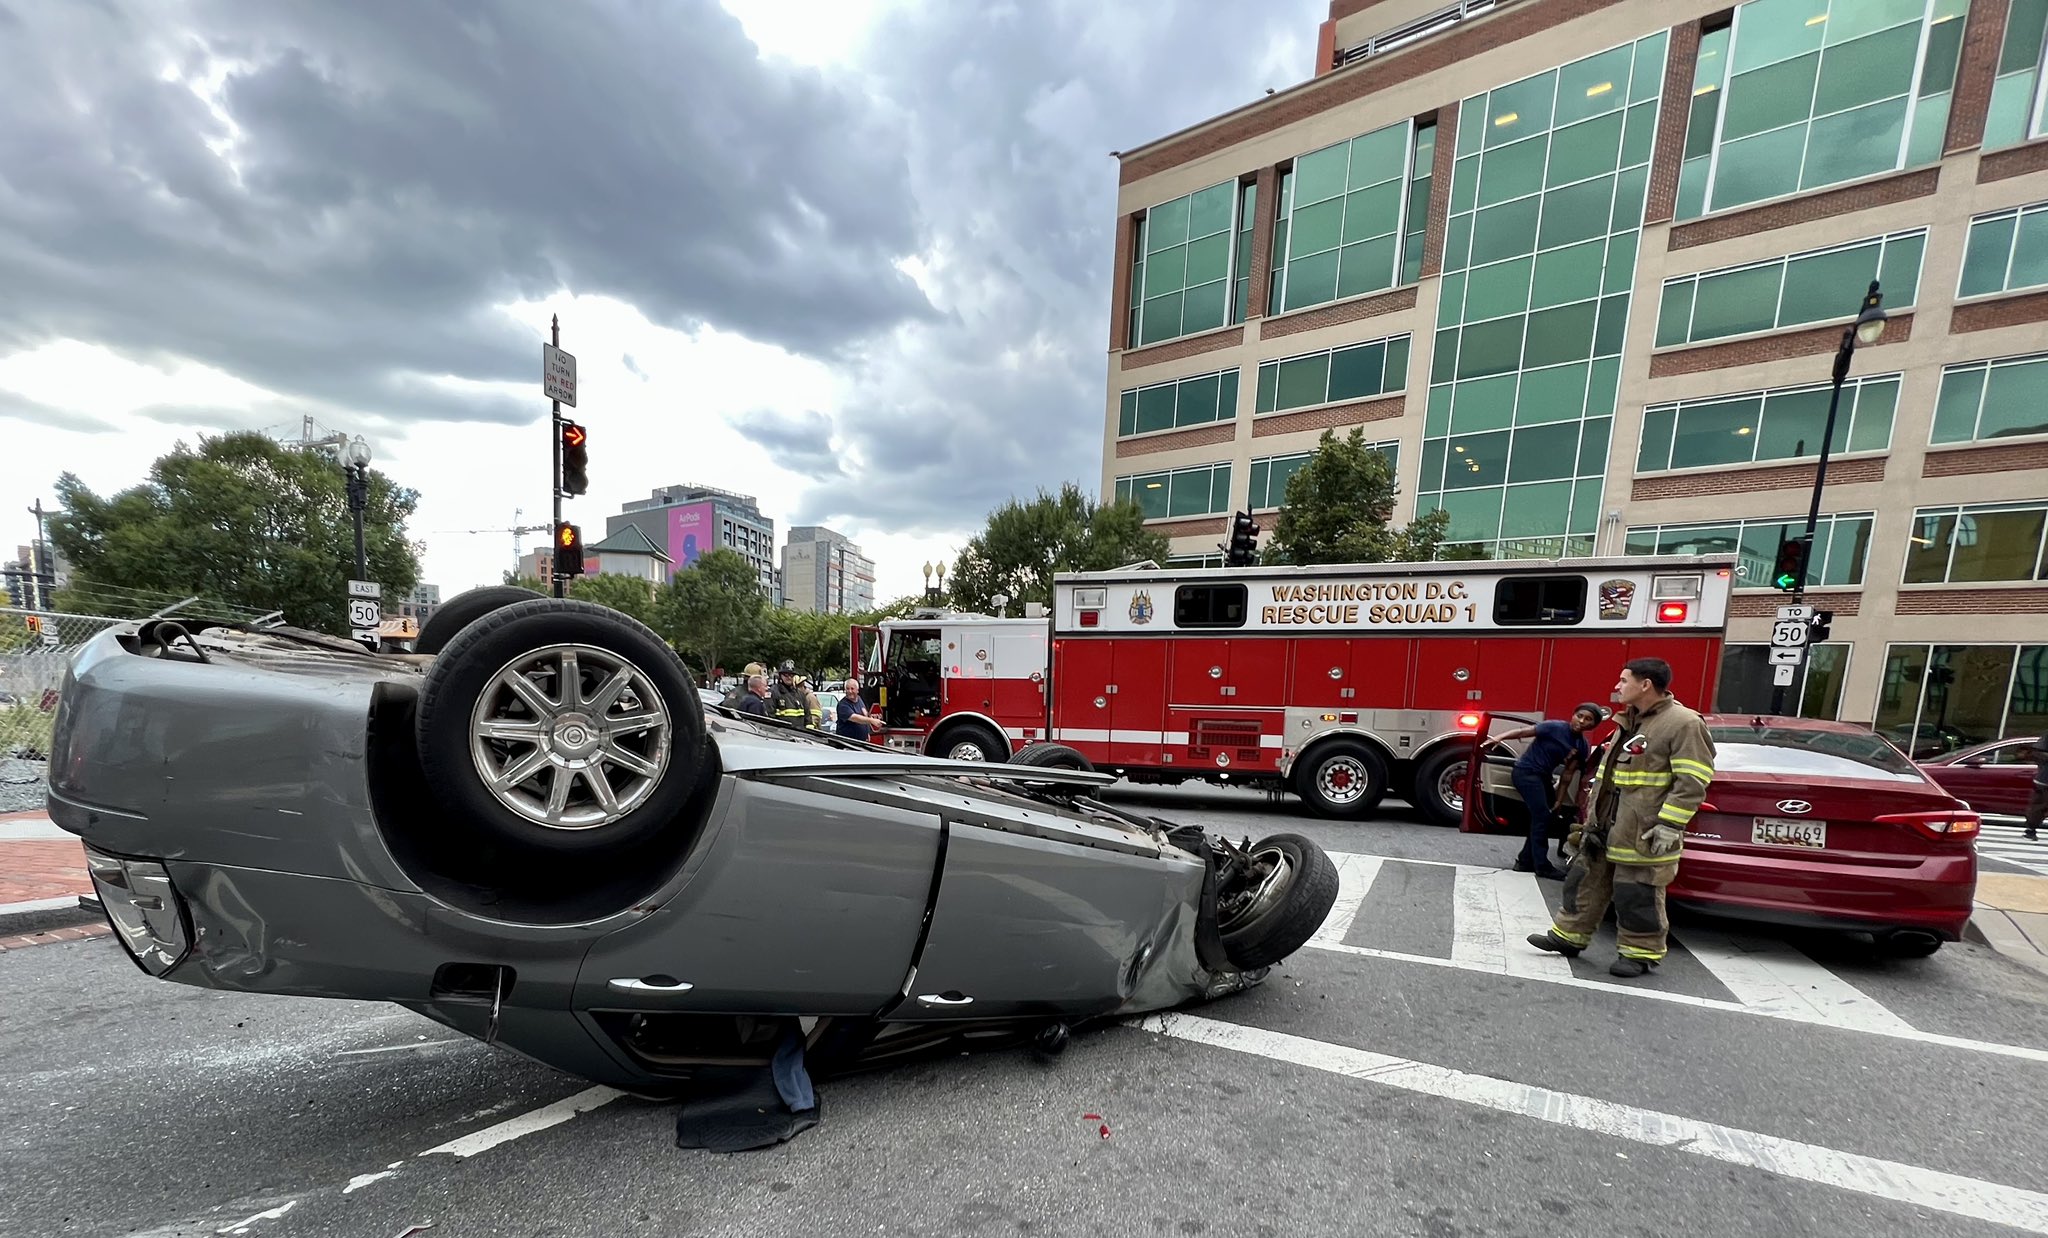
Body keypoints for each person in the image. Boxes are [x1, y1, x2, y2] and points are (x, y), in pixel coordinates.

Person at [1526, 657, 1715, 979]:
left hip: (1644, 831)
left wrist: (1669, 825)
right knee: (1584, 881)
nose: (1617, 686)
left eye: (1624, 680)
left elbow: (1693, 781)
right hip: (1605, 825)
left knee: (1637, 893)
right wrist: (1591, 819)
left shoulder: (1684, 723)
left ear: (1645, 685)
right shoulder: (1629, 720)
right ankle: (1568, 936)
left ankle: (1639, 954)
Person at [1492, 703, 1605, 880]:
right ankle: (1542, 866)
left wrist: (1559, 800)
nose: (1582, 721)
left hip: (1543, 777)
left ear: (1593, 725)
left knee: (1546, 817)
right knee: (1542, 816)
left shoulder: (1581, 745)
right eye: (1579, 716)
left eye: (1588, 719)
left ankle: (1525, 861)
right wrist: (1500, 737)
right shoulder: (1554, 727)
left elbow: (1567, 774)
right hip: (1526, 772)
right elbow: (1523, 732)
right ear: (1573, 715)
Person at [835, 678, 884, 744]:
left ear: (857, 690)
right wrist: (872, 721)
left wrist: (867, 732)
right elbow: (855, 718)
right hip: (847, 744)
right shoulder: (843, 705)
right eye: (847, 689)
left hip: (861, 742)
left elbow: (865, 715)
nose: (850, 691)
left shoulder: (859, 699)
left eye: (852, 689)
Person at [770, 660, 817, 728]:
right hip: (781, 732)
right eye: (786, 675)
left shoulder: (800, 695)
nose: (789, 677)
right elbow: (770, 717)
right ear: (780, 676)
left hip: (799, 733)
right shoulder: (773, 692)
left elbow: (808, 718)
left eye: (791, 675)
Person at [2025, 735, 2047, 842]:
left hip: (2044, 778)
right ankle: (2030, 829)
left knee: (2039, 805)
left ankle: (2030, 829)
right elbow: (2037, 753)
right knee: (2039, 805)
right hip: (2045, 779)